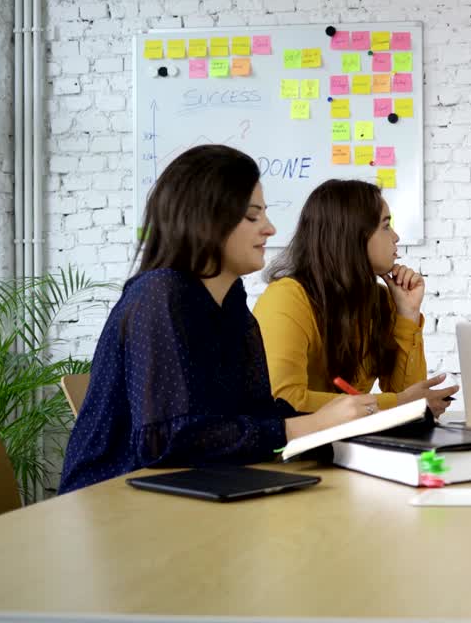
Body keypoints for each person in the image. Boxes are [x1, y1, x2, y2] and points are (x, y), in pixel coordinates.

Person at [59, 146, 376, 493]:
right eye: (252, 217)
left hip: (193, 489)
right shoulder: (159, 294)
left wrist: (334, 423)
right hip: (112, 498)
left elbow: (255, 414)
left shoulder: (232, 301)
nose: (270, 229)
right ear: (206, 221)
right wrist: (303, 427)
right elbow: (165, 440)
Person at [254, 180, 456, 415]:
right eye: (386, 226)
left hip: (356, 438)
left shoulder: (379, 299)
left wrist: (407, 314)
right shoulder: (287, 297)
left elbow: (408, 399)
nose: (396, 237)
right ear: (352, 235)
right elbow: (283, 401)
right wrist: (398, 404)